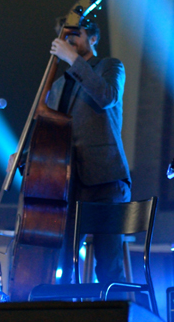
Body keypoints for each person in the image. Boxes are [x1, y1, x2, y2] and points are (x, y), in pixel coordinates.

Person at [47, 19, 131, 285]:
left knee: (108, 267)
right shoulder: (58, 85)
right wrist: (24, 155)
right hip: (69, 184)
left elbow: (107, 96)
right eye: (65, 35)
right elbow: (49, 130)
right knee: (62, 266)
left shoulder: (110, 66)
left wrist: (72, 58)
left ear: (93, 38)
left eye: (76, 34)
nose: (70, 39)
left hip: (105, 180)